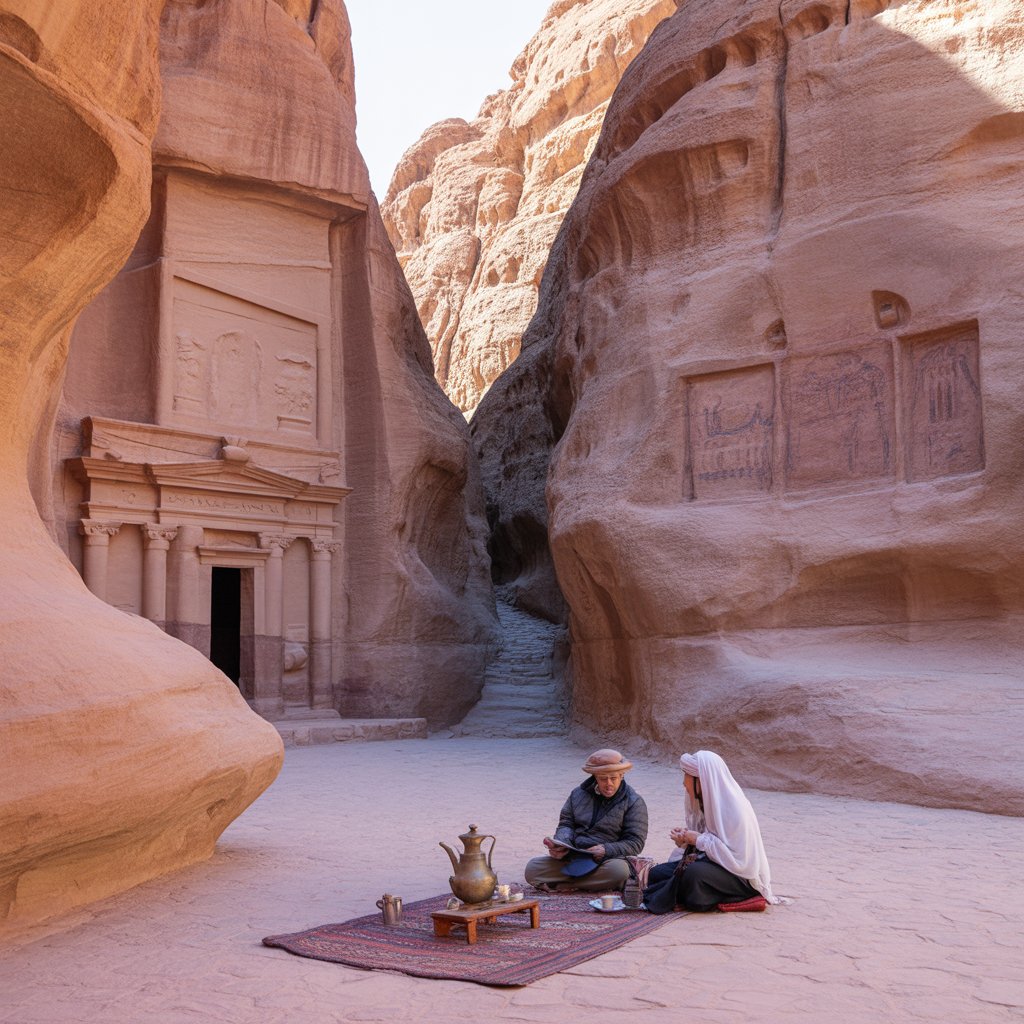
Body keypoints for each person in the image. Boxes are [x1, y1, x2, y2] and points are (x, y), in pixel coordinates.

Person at [644, 750, 782, 913]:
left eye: (687, 776)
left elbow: (738, 859)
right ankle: (691, 894)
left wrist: (698, 840)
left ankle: (736, 897)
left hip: (739, 875)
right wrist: (685, 840)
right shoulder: (706, 802)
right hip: (713, 865)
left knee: (692, 875)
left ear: (702, 780)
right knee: (656, 874)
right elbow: (705, 841)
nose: (684, 783)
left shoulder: (735, 809)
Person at [525, 748, 649, 893]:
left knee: (620, 871)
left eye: (613, 778)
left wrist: (606, 849)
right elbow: (566, 823)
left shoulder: (634, 801)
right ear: (595, 777)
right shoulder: (577, 794)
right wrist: (562, 843)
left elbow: (635, 842)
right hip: (575, 856)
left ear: (622, 776)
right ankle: (591, 883)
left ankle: (565, 884)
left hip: (608, 860)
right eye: (603, 779)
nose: (609, 784)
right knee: (532, 869)